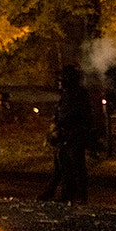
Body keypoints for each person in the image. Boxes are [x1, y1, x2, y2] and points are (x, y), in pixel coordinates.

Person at [39, 65, 92, 205]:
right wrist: (55, 124)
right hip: (65, 134)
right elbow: (60, 112)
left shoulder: (78, 94)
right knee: (61, 165)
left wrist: (61, 125)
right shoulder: (66, 93)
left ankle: (79, 195)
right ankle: (59, 192)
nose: (59, 81)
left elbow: (75, 114)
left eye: (62, 78)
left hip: (74, 134)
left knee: (77, 166)